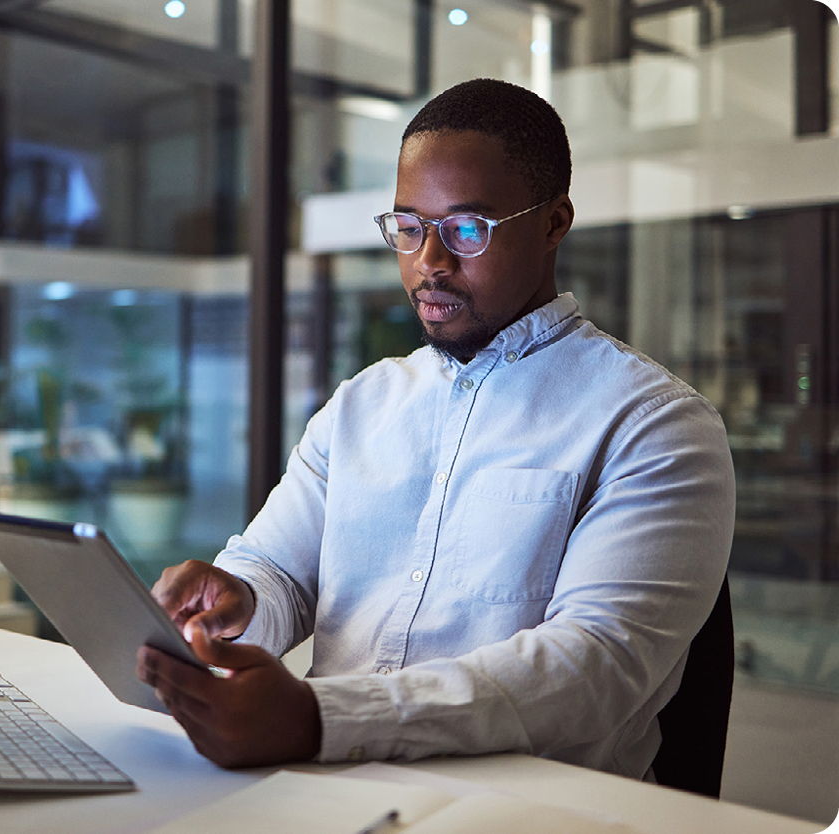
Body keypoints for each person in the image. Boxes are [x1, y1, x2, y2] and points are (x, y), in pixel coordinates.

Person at [136, 78, 736, 778]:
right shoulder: (363, 403)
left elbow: (593, 666)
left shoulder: (655, 424)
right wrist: (236, 603)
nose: (429, 262)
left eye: (467, 229)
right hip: (323, 783)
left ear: (553, 223)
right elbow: (277, 574)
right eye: (409, 228)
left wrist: (322, 719)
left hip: (519, 812)